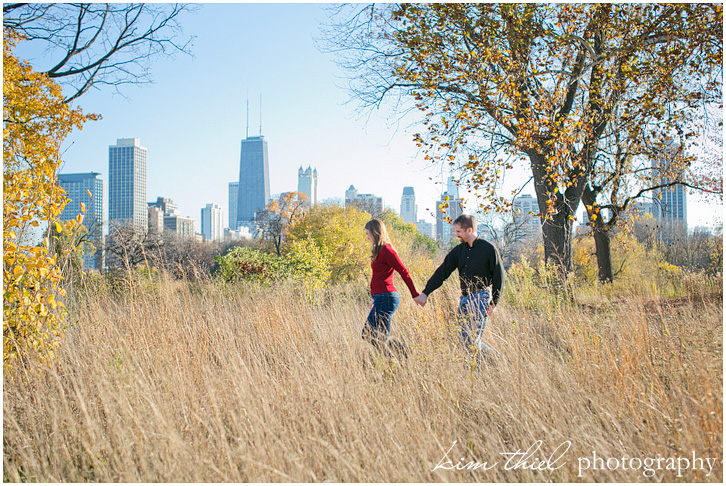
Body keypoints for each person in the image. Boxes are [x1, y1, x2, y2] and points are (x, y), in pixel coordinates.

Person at [414, 214, 505, 361]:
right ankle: (498, 360)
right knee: (466, 341)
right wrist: (426, 292)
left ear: (469, 230)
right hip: (464, 299)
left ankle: (474, 377)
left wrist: (494, 303)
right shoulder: (458, 251)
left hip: (480, 297)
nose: (457, 235)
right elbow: (443, 271)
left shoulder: (488, 249)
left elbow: (499, 277)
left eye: (459, 232)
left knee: (470, 341)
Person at [362, 218, 419, 358]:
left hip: (387, 298)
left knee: (378, 337)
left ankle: (400, 356)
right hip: (380, 298)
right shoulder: (379, 251)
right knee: (368, 334)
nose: (367, 237)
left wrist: (415, 294)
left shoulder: (387, 250)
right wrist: (374, 298)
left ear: (375, 233)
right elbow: (379, 277)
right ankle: (399, 354)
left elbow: (404, 272)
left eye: (368, 233)